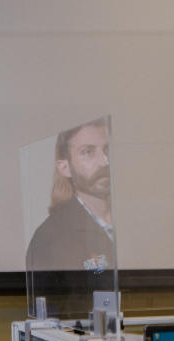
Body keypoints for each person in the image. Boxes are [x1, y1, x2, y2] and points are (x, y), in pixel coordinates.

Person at [25, 118, 116, 316]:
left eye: (108, 150)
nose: (104, 161)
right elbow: (50, 318)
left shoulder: (136, 225)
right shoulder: (50, 237)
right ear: (64, 167)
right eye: (88, 152)